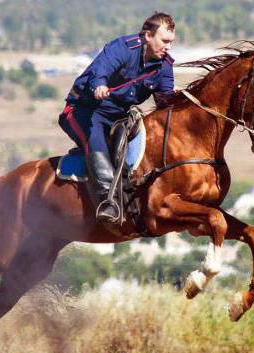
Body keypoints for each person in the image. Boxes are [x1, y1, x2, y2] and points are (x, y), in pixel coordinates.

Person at [58, 12, 176, 224]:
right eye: (164, 41)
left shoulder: (164, 66)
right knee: (96, 145)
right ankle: (109, 202)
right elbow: (100, 70)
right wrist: (99, 85)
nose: (168, 47)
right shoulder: (123, 47)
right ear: (148, 35)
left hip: (119, 118)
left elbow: (166, 103)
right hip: (85, 111)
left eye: (171, 42)